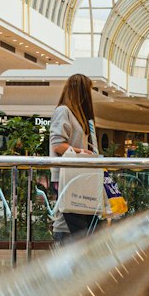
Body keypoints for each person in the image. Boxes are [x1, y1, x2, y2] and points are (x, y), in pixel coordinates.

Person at [49, 74, 100, 245]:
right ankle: (64, 250)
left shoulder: (78, 116)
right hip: (66, 176)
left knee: (79, 218)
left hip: (77, 177)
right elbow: (58, 145)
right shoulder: (63, 111)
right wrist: (84, 152)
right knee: (68, 219)